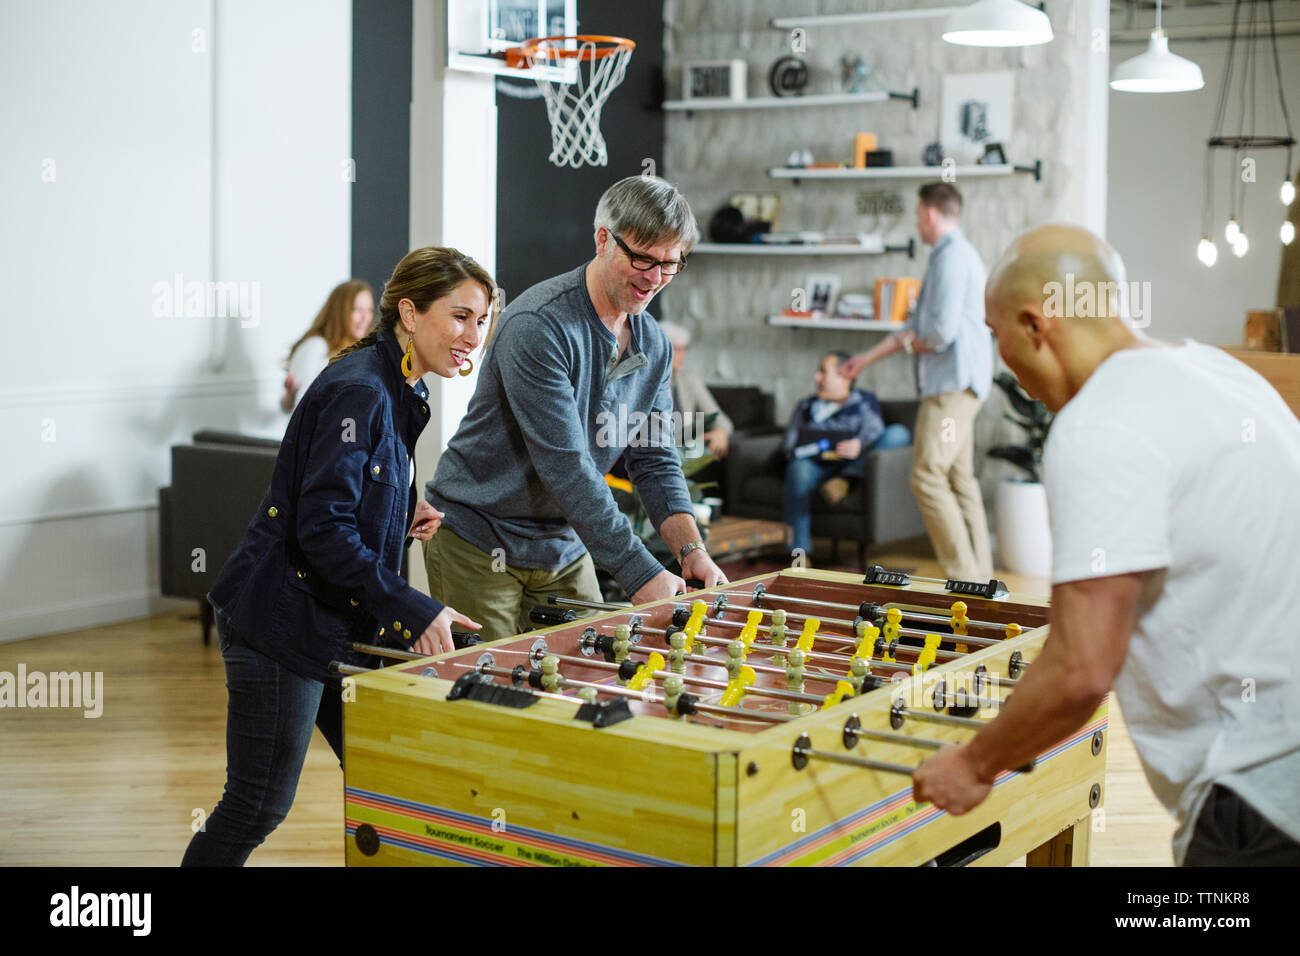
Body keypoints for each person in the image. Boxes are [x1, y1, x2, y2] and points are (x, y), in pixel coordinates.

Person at [911, 223, 1300, 866]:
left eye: (994, 333)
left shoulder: (1101, 422)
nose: (999, 353)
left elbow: (1080, 668)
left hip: (1262, 794)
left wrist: (974, 763)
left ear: (1036, 326)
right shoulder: (1220, 374)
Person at [183, 247, 493, 866]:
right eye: (460, 317)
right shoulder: (361, 390)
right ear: (409, 312)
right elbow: (321, 531)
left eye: (482, 321)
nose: (473, 336)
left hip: (337, 620)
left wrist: (397, 518)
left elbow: (339, 504)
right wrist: (415, 607)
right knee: (257, 805)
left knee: (389, 774)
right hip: (282, 622)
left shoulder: (397, 384)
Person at [423, 176, 727, 643]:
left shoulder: (655, 346)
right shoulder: (539, 326)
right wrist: (641, 574)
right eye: (642, 258)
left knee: (586, 683)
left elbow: (655, 459)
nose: (654, 278)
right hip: (480, 539)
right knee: (490, 698)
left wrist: (691, 551)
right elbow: (565, 466)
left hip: (565, 544)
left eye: (670, 264)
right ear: (603, 238)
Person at [840, 182, 993, 581]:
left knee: (926, 475)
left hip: (950, 388)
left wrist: (913, 344)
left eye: (916, 214)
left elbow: (938, 334)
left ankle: (968, 580)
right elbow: (915, 327)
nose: (917, 223)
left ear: (929, 213)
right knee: (959, 480)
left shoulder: (949, 258)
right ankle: (986, 580)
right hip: (964, 384)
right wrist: (867, 359)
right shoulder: (959, 254)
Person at [781, 350, 911, 560]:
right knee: (798, 469)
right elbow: (788, 446)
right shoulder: (806, 405)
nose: (817, 378)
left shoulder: (863, 401)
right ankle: (799, 553)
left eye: (823, 372)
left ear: (845, 376)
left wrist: (859, 443)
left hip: (855, 462)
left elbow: (875, 429)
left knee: (898, 434)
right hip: (816, 466)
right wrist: (816, 449)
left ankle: (845, 479)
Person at [280, 279, 375, 412]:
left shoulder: (364, 351)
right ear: (340, 312)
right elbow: (300, 408)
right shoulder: (315, 346)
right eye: (357, 310)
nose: (365, 317)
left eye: (369, 310)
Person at [658, 321, 732, 458]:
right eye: (676, 349)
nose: (682, 354)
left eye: (684, 348)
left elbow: (719, 418)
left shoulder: (687, 379)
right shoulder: (643, 380)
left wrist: (721, 432)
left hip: (681, 453)